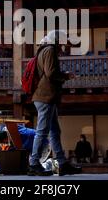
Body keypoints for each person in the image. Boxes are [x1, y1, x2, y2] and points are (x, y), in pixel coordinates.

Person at [28, 30, 82, 176]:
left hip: (45, 97)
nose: (63, 47)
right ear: (57, 41)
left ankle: (62, 163)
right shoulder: (50, 50)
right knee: (42, 131)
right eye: (62, 43)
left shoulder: (44, 50)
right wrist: (66, 75)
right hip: (46, 96)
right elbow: (51, 73)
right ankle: (33, 164)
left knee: (54, 131)